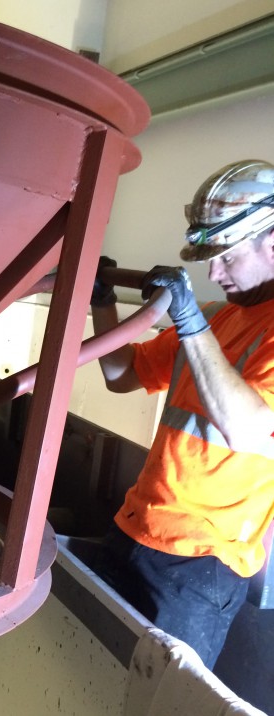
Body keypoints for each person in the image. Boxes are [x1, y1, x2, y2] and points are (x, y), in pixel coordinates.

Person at [90, 159, 274, 670]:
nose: (213, 273)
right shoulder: (219, 317)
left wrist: (190, 321)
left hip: (200, 566)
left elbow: (248, 428)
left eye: (227, 257)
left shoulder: (215, 324)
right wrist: (101, 302)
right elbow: (120, 374)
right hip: (136, 529)